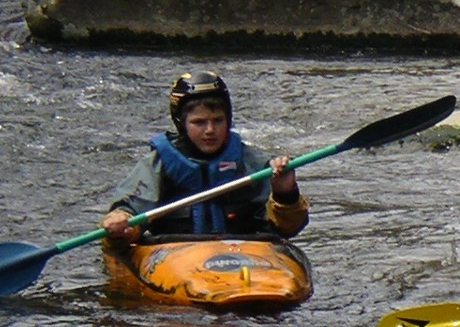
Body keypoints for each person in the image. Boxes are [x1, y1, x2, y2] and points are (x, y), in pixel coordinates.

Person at [100, 70, 309, 243]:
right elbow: (130, 211)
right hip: (176, 258)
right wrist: (121, 221)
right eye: (199, 123)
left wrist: (286, 194)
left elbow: (287, 229)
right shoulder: (159, 164)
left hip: (244, 254)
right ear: (181, 123)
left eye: (218, 120)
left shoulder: (252, 162)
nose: (210, 130)